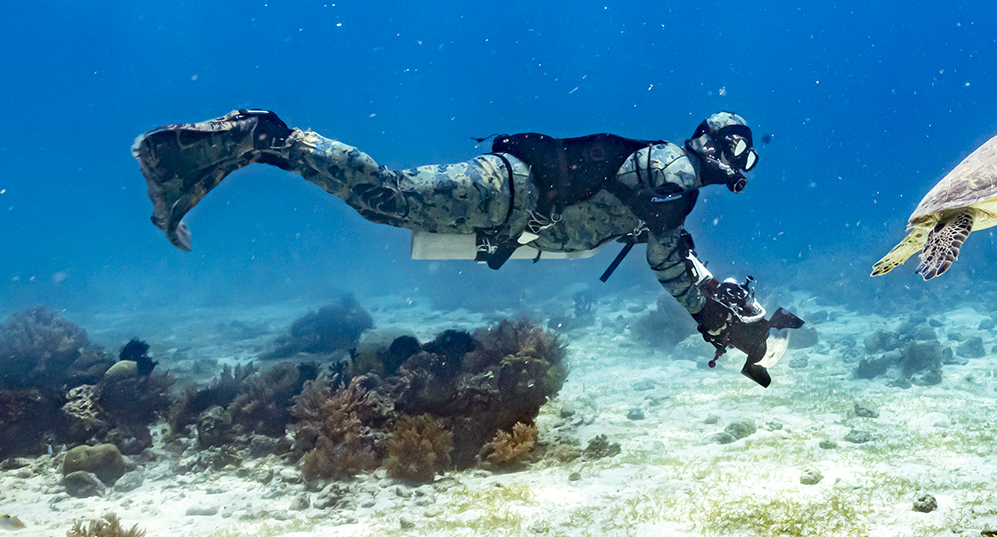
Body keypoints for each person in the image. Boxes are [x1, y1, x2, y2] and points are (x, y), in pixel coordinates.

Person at [131, 108, 799, 381]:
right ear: (725, 153)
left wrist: (713, 305)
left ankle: (220, 159)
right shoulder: (675, 177)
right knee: (388, 196)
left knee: (385, 207)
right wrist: (710, 310)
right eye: (743, 158)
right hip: (509, 193)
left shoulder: (669, 180)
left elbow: (671, 251)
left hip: (511, 203)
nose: (740, 170)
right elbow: (666, 247)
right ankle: (266, 135)